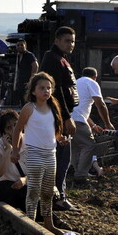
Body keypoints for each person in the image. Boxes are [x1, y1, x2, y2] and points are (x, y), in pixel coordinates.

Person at [11, 72, 63, 233]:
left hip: (50, 153)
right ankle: (30, 224)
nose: (46, 91)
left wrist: (60, 140)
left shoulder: (53, 107)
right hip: (34, 153)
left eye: (49, 88)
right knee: (33, 190)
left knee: (48, 191)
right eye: (42, 88)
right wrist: (15, 150)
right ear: (33, 91)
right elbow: (18, 130)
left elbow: (53, 131)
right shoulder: (29, 108)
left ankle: (48, 223)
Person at [39, 26, 78, 212]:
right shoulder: (53, 59)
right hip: (58, 116)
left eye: (72, 41)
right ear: (57, 40)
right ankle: (58, 197)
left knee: (61, 158)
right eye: (67, 41)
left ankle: (57, 195)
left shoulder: (60, 58)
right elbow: (58, 91)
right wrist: (66, 118)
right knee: (61, 159)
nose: (70, 44)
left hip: (59, 114)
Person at [71, 67, 114, 184]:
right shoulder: (92, 83)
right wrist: (107, 123)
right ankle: (80, 176)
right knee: (89, 145)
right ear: (95, 77)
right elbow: (101, 104)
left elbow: (80, 109)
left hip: (68, 119)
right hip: (78, 120)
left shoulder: (76, 82)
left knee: (75, 146)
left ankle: (76, 172)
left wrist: (93, 125)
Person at [0, 110, 27, 210]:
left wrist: (24, 180)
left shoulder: (29, 143)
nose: (14, 130)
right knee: (16, 193)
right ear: (4, 132)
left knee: (28, 192)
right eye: (9, 128)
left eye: (16, 125)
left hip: (22, 186)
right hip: (2, 186)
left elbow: (36, 171)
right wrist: (8, 150)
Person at [13, 39, 38, 106]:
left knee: (28, 101)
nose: (20, 46)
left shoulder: (29, 55)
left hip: (27, 82)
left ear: (25, 46)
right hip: (20, 83)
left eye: (22, 45)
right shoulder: (18, 56)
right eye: (18, 45)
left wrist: (31, 80)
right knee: (22, 102)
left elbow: (35, 66)